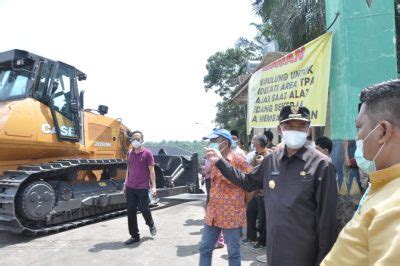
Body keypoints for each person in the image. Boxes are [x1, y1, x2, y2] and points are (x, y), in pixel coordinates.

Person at [206, 105, 338, 266]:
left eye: (301, 126)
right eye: (289, 126)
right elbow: (247, 182)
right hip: (275, 250)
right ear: (280, 129)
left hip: (305, 253)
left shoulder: (322, 165)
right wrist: (220, 161)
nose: (295, 130)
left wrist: (325, 260)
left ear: (309, 130)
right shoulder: (271, 161)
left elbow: (328, 223)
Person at [321, 80, 400, 265]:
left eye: (359, 127)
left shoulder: (394, 208)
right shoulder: (385, 187)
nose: (358, 137)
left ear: (382, 132)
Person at [199, 129, 251, 266]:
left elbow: (251, 185)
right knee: (205, 248)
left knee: (233, 253)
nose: (211, 144)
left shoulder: (239, 160)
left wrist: (242, 205)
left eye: (214, 141)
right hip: (213, 214)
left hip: (231, 215)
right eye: (210, 141)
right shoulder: (214, 161)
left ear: (225, 143)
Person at [123, 130, 157, 245]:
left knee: (144, 209)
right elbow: (129, 168)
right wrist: (125, 183)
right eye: (133, 139)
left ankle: (151, 224)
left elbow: (152, 171)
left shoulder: (147, 153)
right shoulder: (129, 153)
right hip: (130, 187)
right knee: (131, 211)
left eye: (138, 139)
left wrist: (154, 187)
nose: (135, 141)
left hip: (142, 187)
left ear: (142, 141)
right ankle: (134, 236)